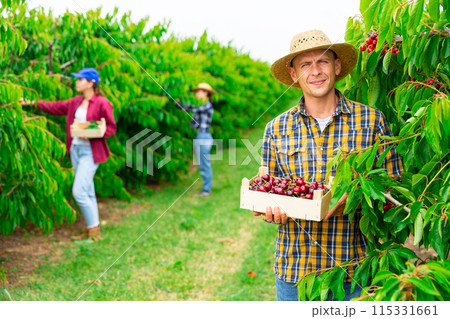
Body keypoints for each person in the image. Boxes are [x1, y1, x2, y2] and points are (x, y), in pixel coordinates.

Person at [254, 30, 403, 301]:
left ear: (336, 66)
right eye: (305, 65)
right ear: (293, 75)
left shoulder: (371, 121)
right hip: (296, 271)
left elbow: (395, 185)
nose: (315, 71)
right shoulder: (276, 128)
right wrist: (270, 210)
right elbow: (271, 189)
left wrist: (359, 197)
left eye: (323, 61)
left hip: (355, 271)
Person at [20, 68, 117, 239]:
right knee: (88, 191)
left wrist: (96, 132)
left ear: (91, 83)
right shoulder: (75, 102)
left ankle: (93, 230)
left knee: (79, 192)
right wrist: (31, 103)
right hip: (75, 149)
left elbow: (111, 127)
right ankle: (93, 232)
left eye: (80, 79)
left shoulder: (102, 103)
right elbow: (54, 107)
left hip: (91, 151)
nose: (77, 82)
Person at [177, 83, 215, 197]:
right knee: (202, 164)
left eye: (199, 91)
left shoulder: (206, 105)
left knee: (204, 164)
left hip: (204, 136)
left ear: (205, 93)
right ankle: (206, 188)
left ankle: (206, 190)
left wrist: (178, 103)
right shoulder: (202, 105)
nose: (196, 94)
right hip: (200, 136)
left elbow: (190, 108)